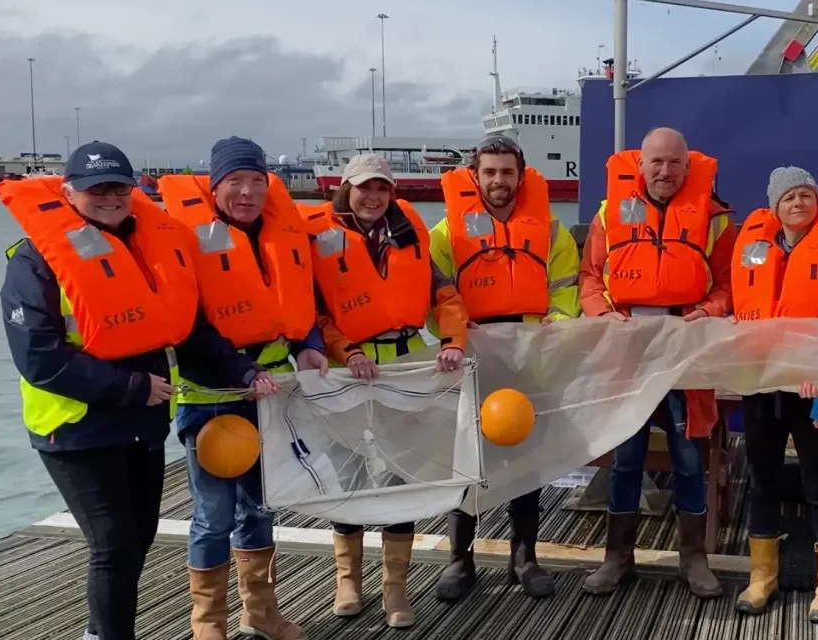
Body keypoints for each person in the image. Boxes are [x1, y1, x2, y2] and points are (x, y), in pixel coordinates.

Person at [0, 142, 267, 640]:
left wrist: (243, 371)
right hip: (73, 425)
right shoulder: (34, 261)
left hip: (141, 421)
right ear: (68, 192)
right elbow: (38, 356)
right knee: (114, 543)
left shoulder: (154, 247)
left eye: (119, 186)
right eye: (96, 188)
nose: (110, 197)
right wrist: (130, 387)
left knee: (138, 537)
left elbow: (190, 329)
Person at [158, 136, 324, 640]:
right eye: (235, 182)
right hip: (212, 400)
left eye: (257, 181)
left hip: (270, 399)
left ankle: (260, 612)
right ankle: (207, 621)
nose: (248, 193)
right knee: (212, 515)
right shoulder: (186, 239)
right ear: (214, 188)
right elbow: (188, 328)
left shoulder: (283, 236)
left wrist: (309, 346)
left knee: (259, 507)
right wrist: (242, 373)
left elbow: (301, 300)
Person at [301, 153, 469, 628]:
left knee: (402, 475)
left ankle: (395, 587)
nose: (373, 196)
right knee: (348, 472)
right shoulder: (319, 239)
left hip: (404, 368)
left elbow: (446, 296)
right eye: (363, 187)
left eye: (382, 188)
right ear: (346, 189)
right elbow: (312, 313)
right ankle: (347, 580)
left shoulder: (411, 236)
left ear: (392, 193)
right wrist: (345, 349)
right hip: (344, 372)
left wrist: (454, 341)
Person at [577, 126, 736, 598]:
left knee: (690, 460)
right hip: (628, 353)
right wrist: (604, 315)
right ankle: (617, 558)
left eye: (674, 163)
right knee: (626, 461)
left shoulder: (715, 218)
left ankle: (694, 560)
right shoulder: (610, 213)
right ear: (639, 166)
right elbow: (589, 278)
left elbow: (729, 284)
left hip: (684, 355)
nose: (665, 172)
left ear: (689, 167)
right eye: (656, 162)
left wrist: (705, 313)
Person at [428, 134, 581, 602]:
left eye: (507, 172)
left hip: (530, 357)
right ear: (474, 176)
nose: (499, 181)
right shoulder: (444, 234)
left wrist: (557, 323)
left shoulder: (552, 232)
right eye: (489, 172)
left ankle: (525, 557)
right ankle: (460, 559)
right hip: (470, 358)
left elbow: (566, 291)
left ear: (521, 175)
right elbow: (433, 297)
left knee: (526, 459)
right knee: (466, 461)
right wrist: (455, 328)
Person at [727, 166, 818, 624]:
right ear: (774, 207)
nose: (799, 203)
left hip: (813, 389)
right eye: (789, 198)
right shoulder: (753, 253)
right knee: (760, 482)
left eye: (807, 195)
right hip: (762, 385)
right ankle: (762, 577)